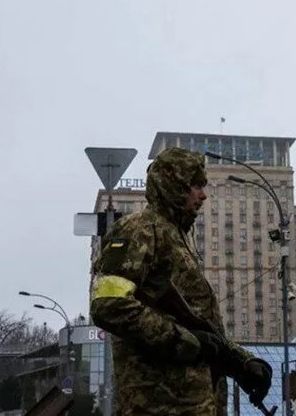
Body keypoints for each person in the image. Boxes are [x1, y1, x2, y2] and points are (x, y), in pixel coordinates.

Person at [91, 147, 272, 415]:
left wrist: (243, 363)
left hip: (189, 402)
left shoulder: (175, 238)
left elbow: (199, 326)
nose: (203, 195)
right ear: (173, 185)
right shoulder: (140, 229)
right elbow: (108, 306)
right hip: (158, 403)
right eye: (194, 185)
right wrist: (187, 342)